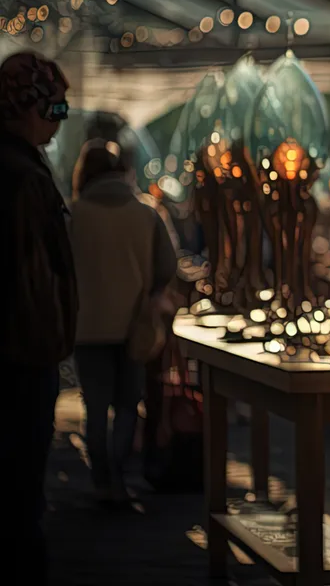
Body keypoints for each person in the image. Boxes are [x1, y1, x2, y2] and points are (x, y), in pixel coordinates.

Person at [0, 51, 76, 584]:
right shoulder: (23, 177)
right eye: (57, 108)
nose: (58, 121)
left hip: (17, 358)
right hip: (20, 363)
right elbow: (29, 280)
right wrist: (48, 344)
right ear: (28, 108)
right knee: (20, 491)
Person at [69, 138, 177, 505]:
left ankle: (101, 480)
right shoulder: (146, 213)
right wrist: (148, 294)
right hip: (135, 325)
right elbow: (168, 266)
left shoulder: (75, 215)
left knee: (95, 407)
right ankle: (118, 475)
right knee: (129, 404)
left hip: (87, 327)